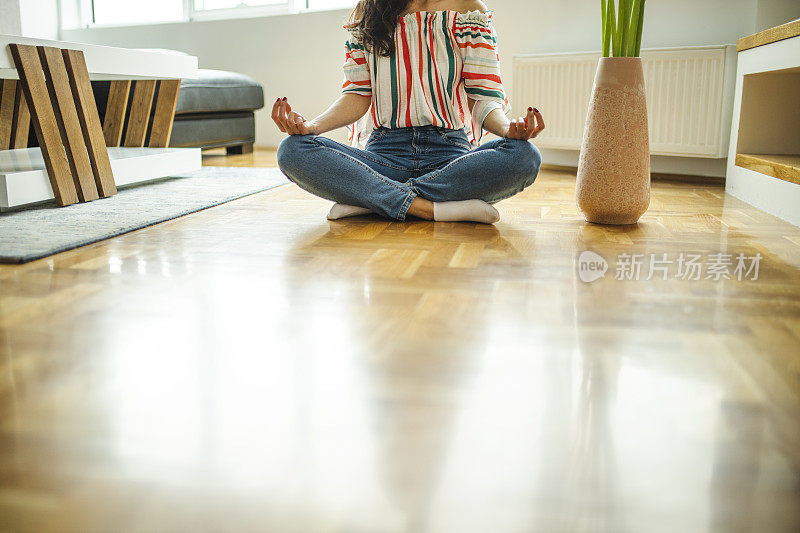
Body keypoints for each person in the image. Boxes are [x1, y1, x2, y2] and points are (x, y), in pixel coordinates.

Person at [273, 0, 544, 224]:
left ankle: (372, 200)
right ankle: (435, 208)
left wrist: (508, 129)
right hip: (384, 157)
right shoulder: (366, 12)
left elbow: (483, 96)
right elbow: (356, 95)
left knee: (525, 157)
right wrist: (312, 127)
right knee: (292, 150)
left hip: (448, 158)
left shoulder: (468, 10)